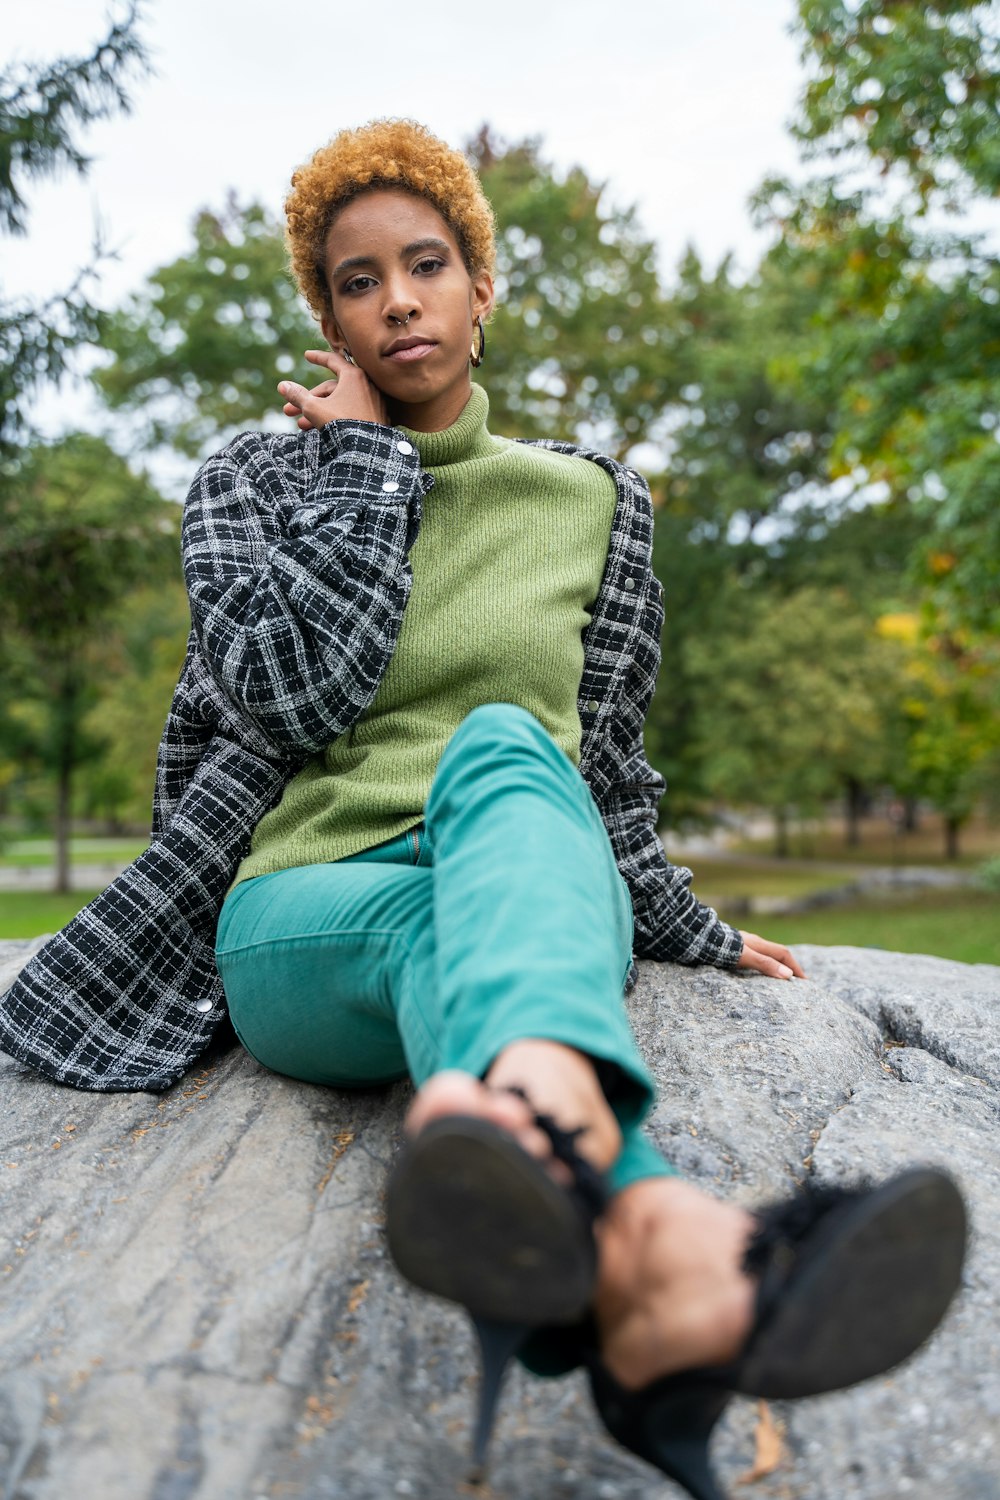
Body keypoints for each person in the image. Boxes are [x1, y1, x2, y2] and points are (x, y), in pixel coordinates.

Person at [0, 121, 966, 1500]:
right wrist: (365, 475)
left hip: (511, 877)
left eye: (427, 264)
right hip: (306, 914)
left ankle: (621, 1232)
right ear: (322, 312)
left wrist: (687, 923)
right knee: (485, 809)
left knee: (516, 748)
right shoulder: (251, 482)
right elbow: (288, 697)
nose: (396, 299)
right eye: (355, 280)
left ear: (482, 285)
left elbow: (610, 764)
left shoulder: (592, 503)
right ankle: (672, 1270)